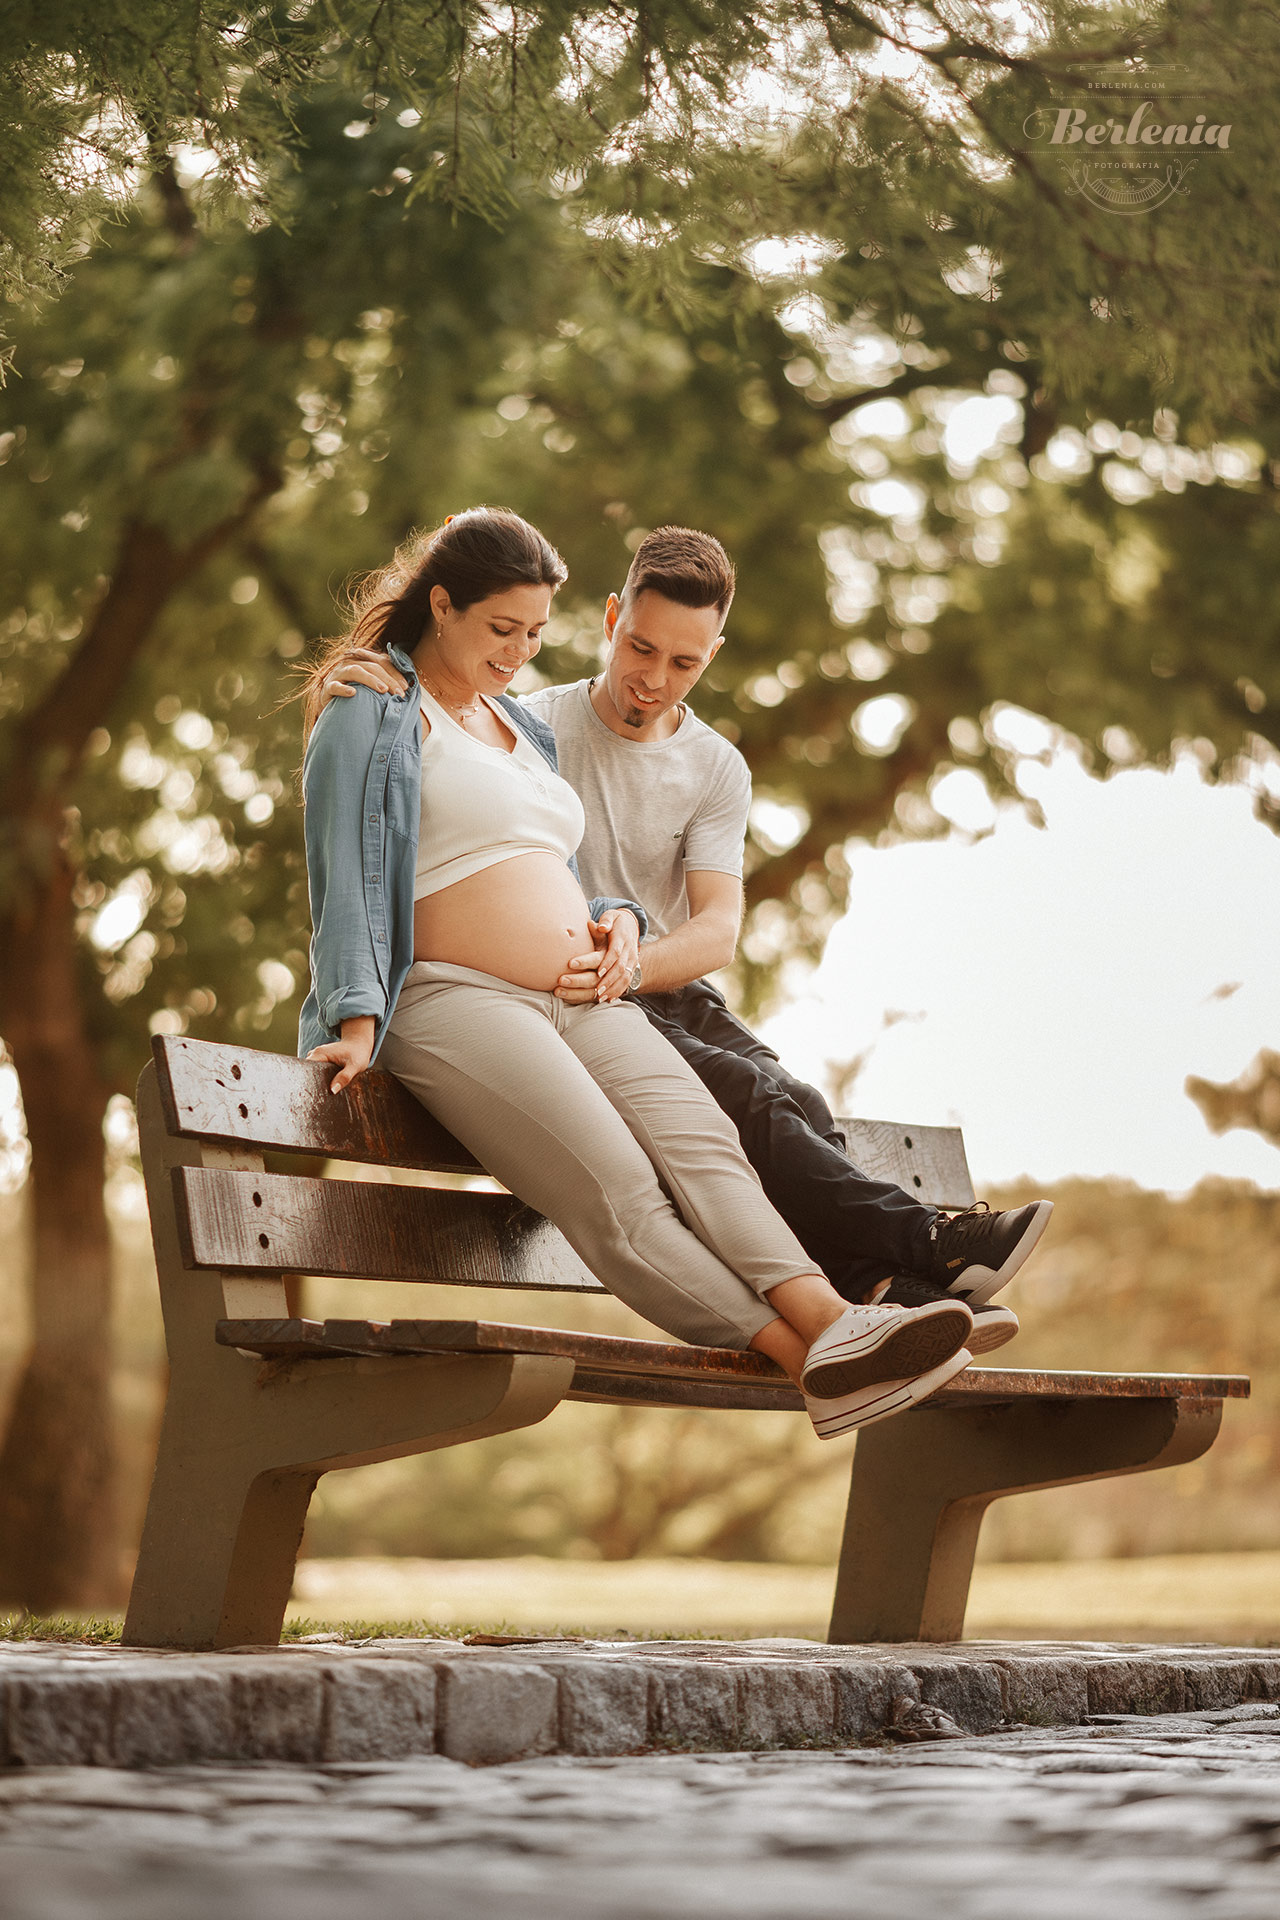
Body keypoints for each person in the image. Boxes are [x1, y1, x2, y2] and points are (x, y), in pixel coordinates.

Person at [297, 507, 977, 1443]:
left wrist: (619, 922)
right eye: (502, 630)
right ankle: (812, 1353)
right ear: (442, 605)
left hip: (576, 991)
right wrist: (356, 1015)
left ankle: (841, 1321)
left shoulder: (518, 729)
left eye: (536, 635)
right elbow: (346, 866)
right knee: (619, 1187)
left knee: (704, 1139)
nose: (520, 654)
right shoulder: (372, 707)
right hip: (452, 995)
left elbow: (552, 864)